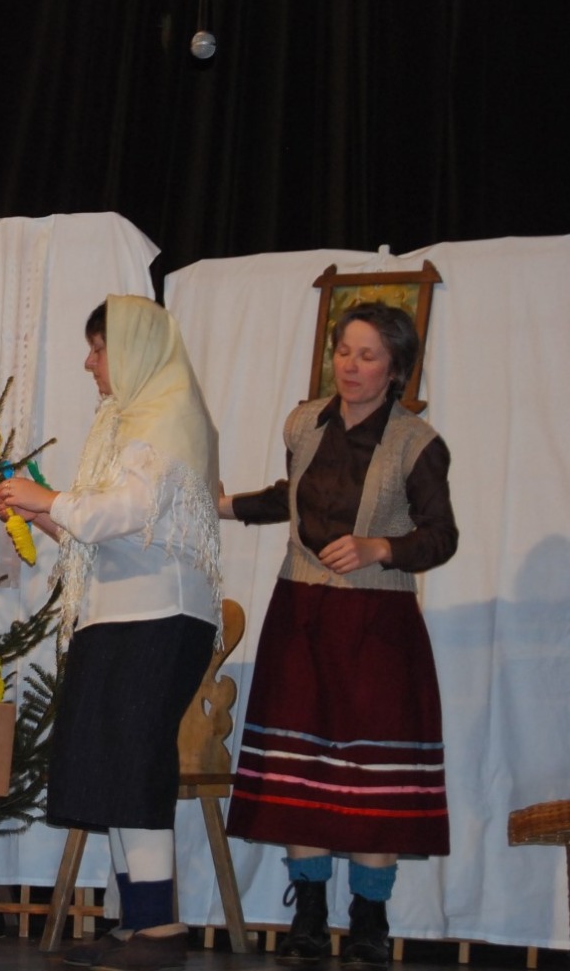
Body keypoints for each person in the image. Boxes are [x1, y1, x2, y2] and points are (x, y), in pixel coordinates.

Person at [218, 302, 457, 971]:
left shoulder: (417, 442)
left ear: (396, 368)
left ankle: (370, 923)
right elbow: (290, 495)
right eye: (343, 352)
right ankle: (309, 918)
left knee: (369, 775)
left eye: (367, 355)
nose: (350, 367)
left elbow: (441, 535)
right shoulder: (304, 423)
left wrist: (383, 546)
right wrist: (224, 505)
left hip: (377, 626)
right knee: (300, 766)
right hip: (300, 614)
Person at [0, 295, 223, 971]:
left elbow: (130, 509)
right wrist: (46, 516)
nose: (90, 362)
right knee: (114, 765)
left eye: (99, 347)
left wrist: (49, 500)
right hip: (119, 614)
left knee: (132, 760)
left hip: (158, 614)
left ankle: (160, 928)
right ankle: (139, 923)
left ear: (131, 347)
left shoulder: (167, 415)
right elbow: (99, 531)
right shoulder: (126, 419)